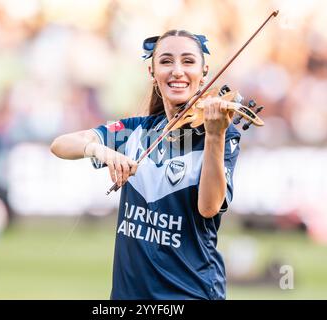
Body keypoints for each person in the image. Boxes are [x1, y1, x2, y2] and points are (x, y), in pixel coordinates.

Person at [51, 29, 241, 300]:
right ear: (153, 73)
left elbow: (209, 207)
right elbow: (60, 144)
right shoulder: (134, 131)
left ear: (204, 72)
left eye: (188, 62)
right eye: (166, 62)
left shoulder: (221, 134)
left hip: (190, 294)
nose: (177, 71)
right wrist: (102, 152)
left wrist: (214, 135)